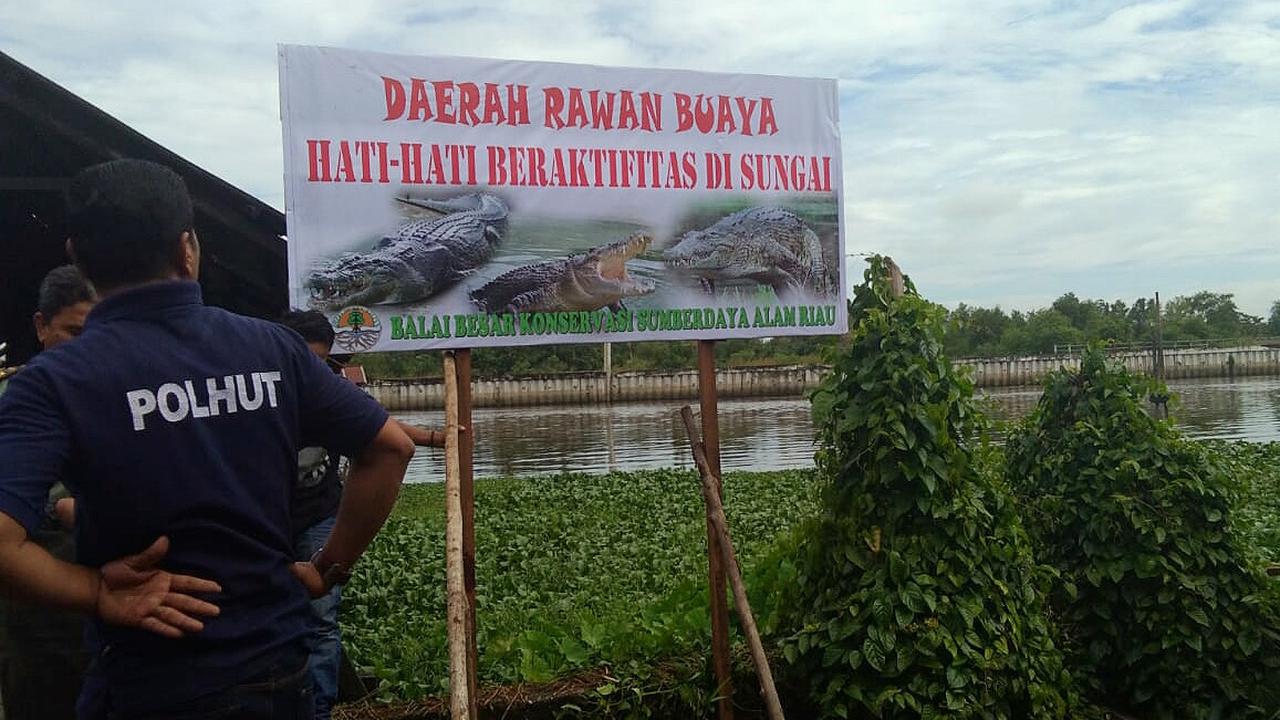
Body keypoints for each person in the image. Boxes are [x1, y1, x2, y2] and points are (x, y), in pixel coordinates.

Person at [0, 159, 414, 720]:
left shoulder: (54, 382)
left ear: (76, 256)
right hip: (276, 671)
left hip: (150, 681)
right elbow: (390, 447)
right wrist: (327, 567)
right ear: (187, 248)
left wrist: (96, 592)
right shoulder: (272, 349)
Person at [278, 309, 443, 718]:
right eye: (305, 361)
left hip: (319, 515)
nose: (312, 373)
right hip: (270, 520)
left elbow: (382, 431)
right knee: (269, 617)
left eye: (321, 362)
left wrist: (437, 438)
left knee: (320, 619)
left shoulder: (330, 389)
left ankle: (317, 711)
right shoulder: (260, 393)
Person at [0, 265, 97, 720]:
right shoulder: (14, 398)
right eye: (73, 332)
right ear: (41, 327)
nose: (88, 346)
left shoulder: (122, 394)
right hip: (37, 607)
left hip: (119, 603)